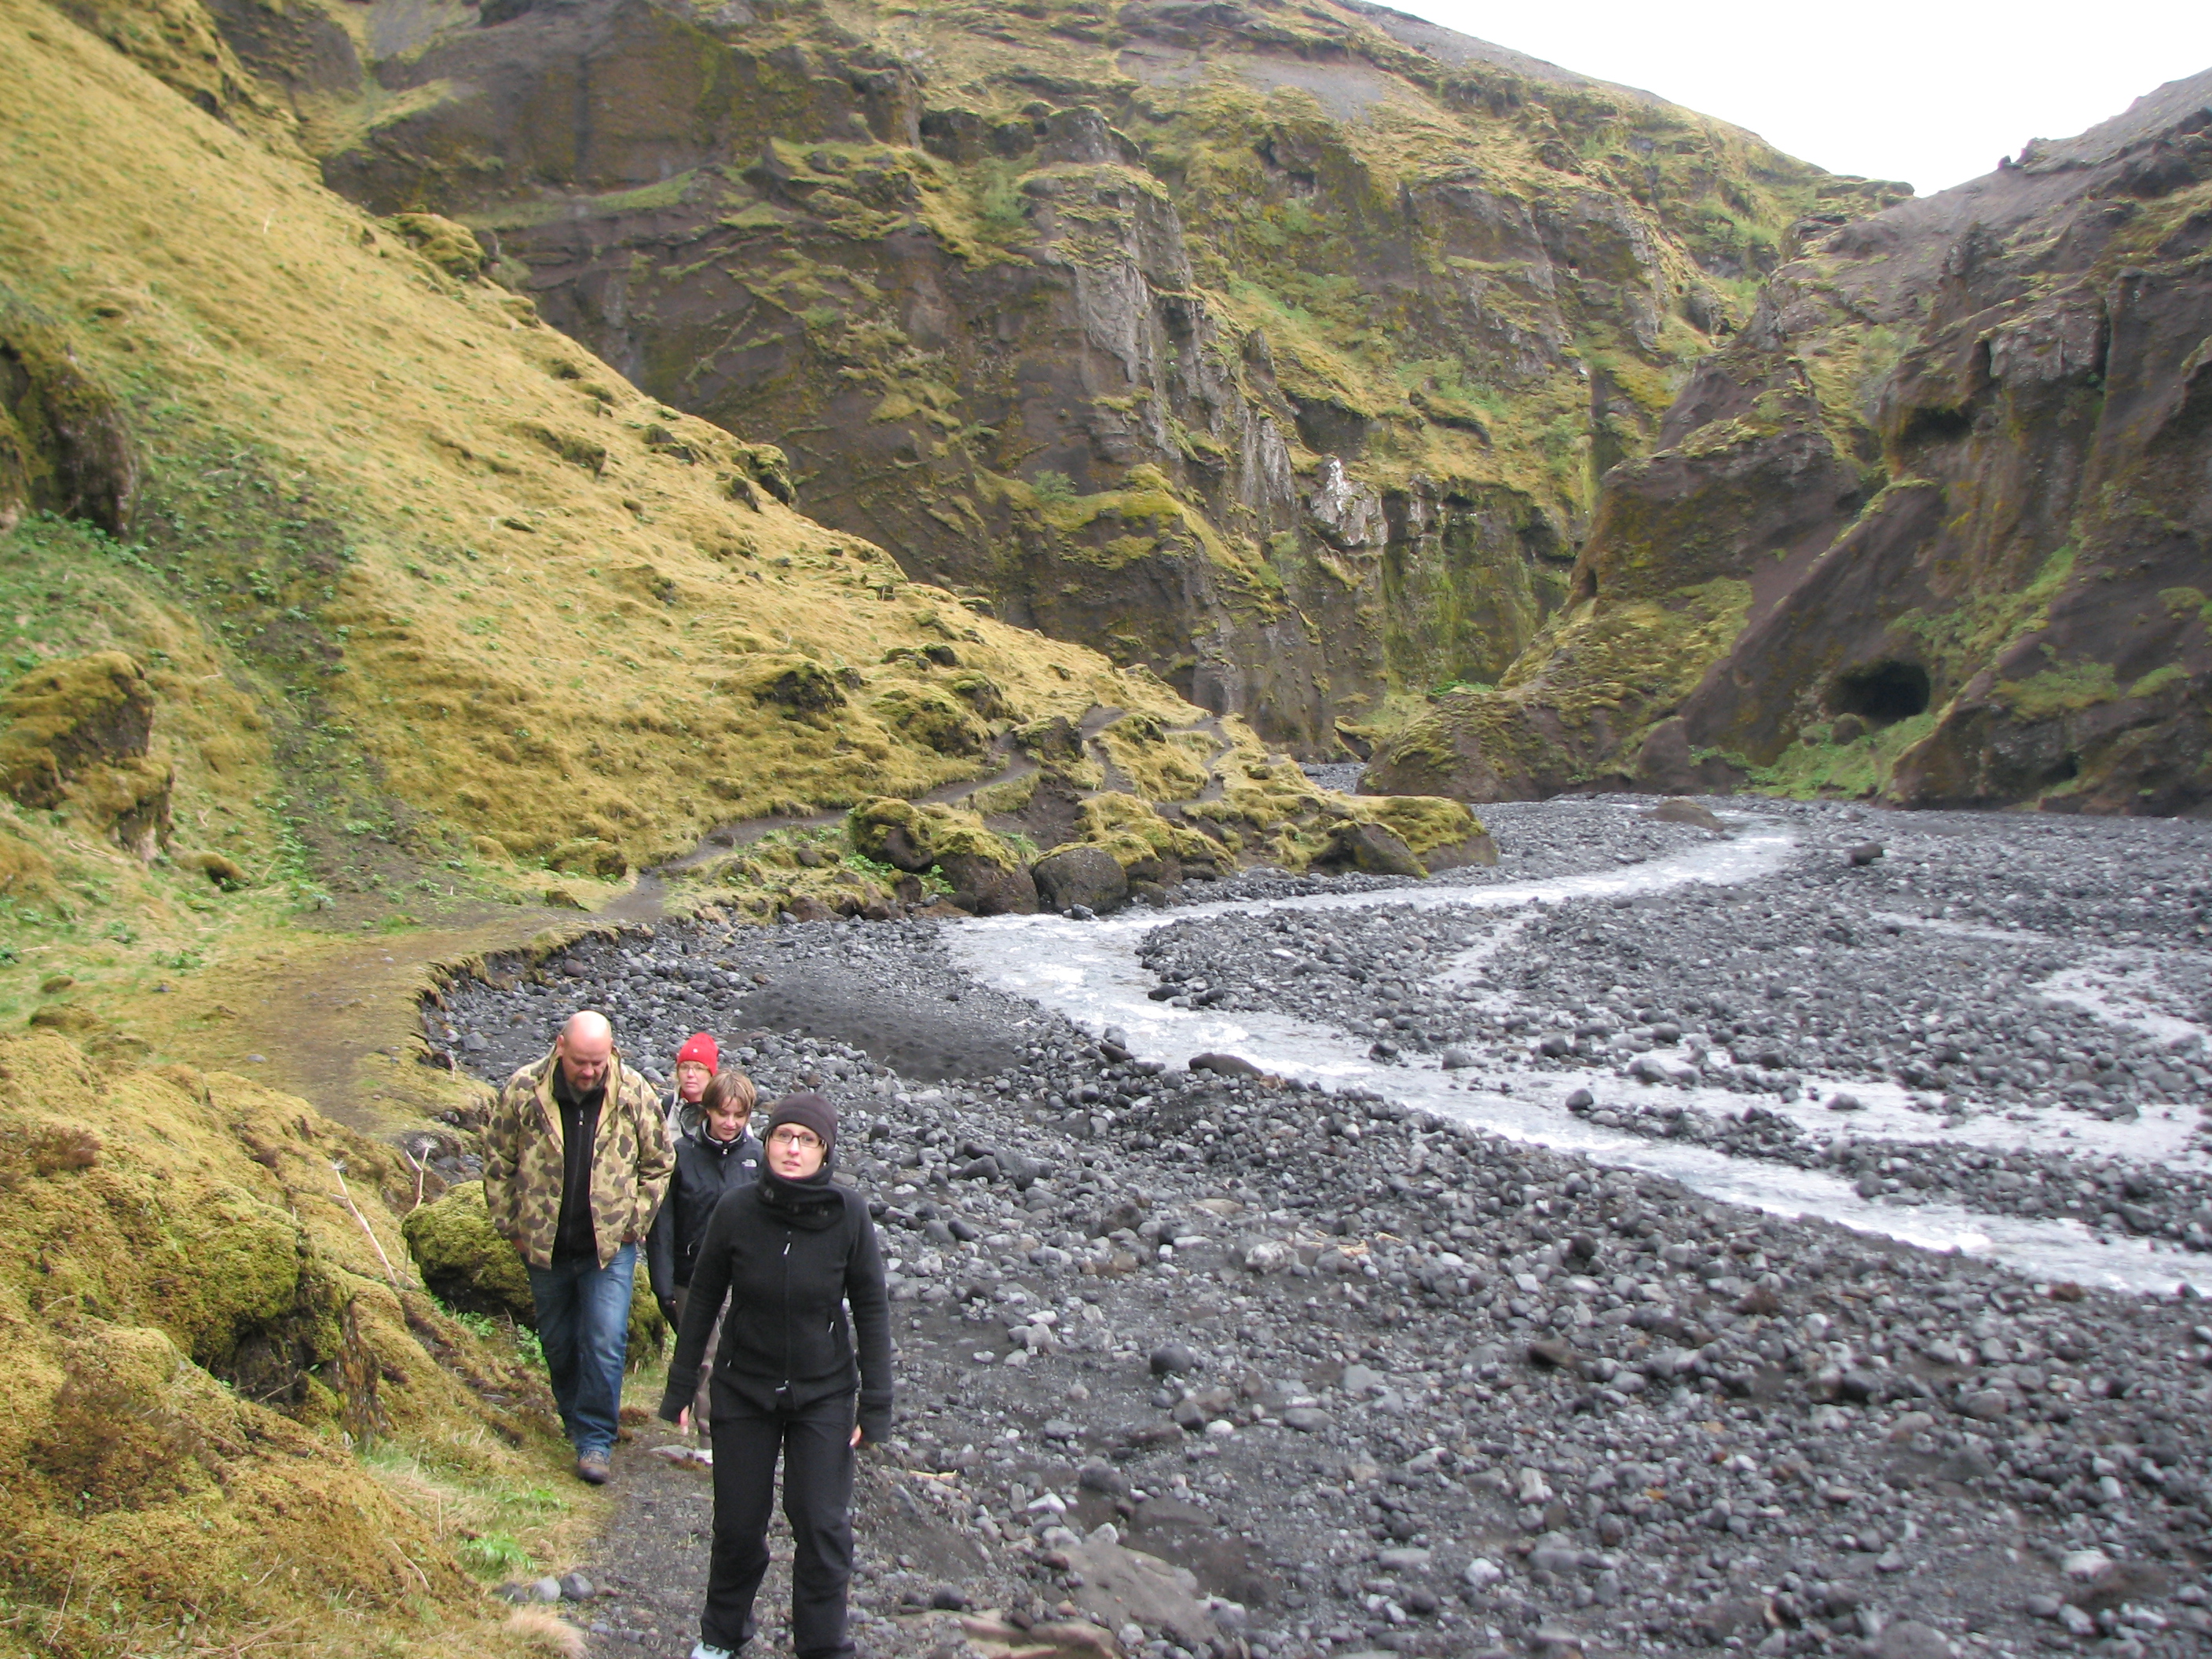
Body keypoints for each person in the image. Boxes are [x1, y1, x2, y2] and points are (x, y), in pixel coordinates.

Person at [661, 1093, 891, 1659]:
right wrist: (683, 1384)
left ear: (825, 1151)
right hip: (744, 1386)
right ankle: (721, 1637)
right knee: (738, 1526)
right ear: (765, 1145)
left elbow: (870, 1306)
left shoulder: (849, 1214)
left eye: (806, 1140)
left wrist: (876, 1402)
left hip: (824, 1392)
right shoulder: (737, 1210)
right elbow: (706, 1297)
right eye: (783, 1136)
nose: (792, 1149)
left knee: (820, 1526)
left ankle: (822, 1646)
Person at [483, 1009, 674, 1486]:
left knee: (605, 1340)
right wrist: (512, 1227)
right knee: (559, 1342)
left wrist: (635, 1222)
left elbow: (659, 1162)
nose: (590, 1072)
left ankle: (595, 1439)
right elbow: (498, 1158)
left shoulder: (632, 1092)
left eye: (599, 1062)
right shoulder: (524, 1090)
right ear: (560, 1047)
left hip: (609, 1249)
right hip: (543, 1246)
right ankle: (573, 1418)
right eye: (582, 1063)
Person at [646, 1069, 763, 1438]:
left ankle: (717, 1426)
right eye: (723, 1113)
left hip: (739, 1275)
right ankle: (709, 1432)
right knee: (703, 1353)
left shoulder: (758, 1157)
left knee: (732, 1351)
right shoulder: (681, 1154)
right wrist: (662, 1283)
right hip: (689, 1273)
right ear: (707, 1111)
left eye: (738, 1116)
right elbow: (662, 1223)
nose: (730, 1123)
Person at [668, 1031, 721, 1136]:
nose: (690, 1074)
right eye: (684, 1067)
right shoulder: (664, 1108)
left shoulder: (727, 1110)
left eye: (699, 1068)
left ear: (711, 1074)